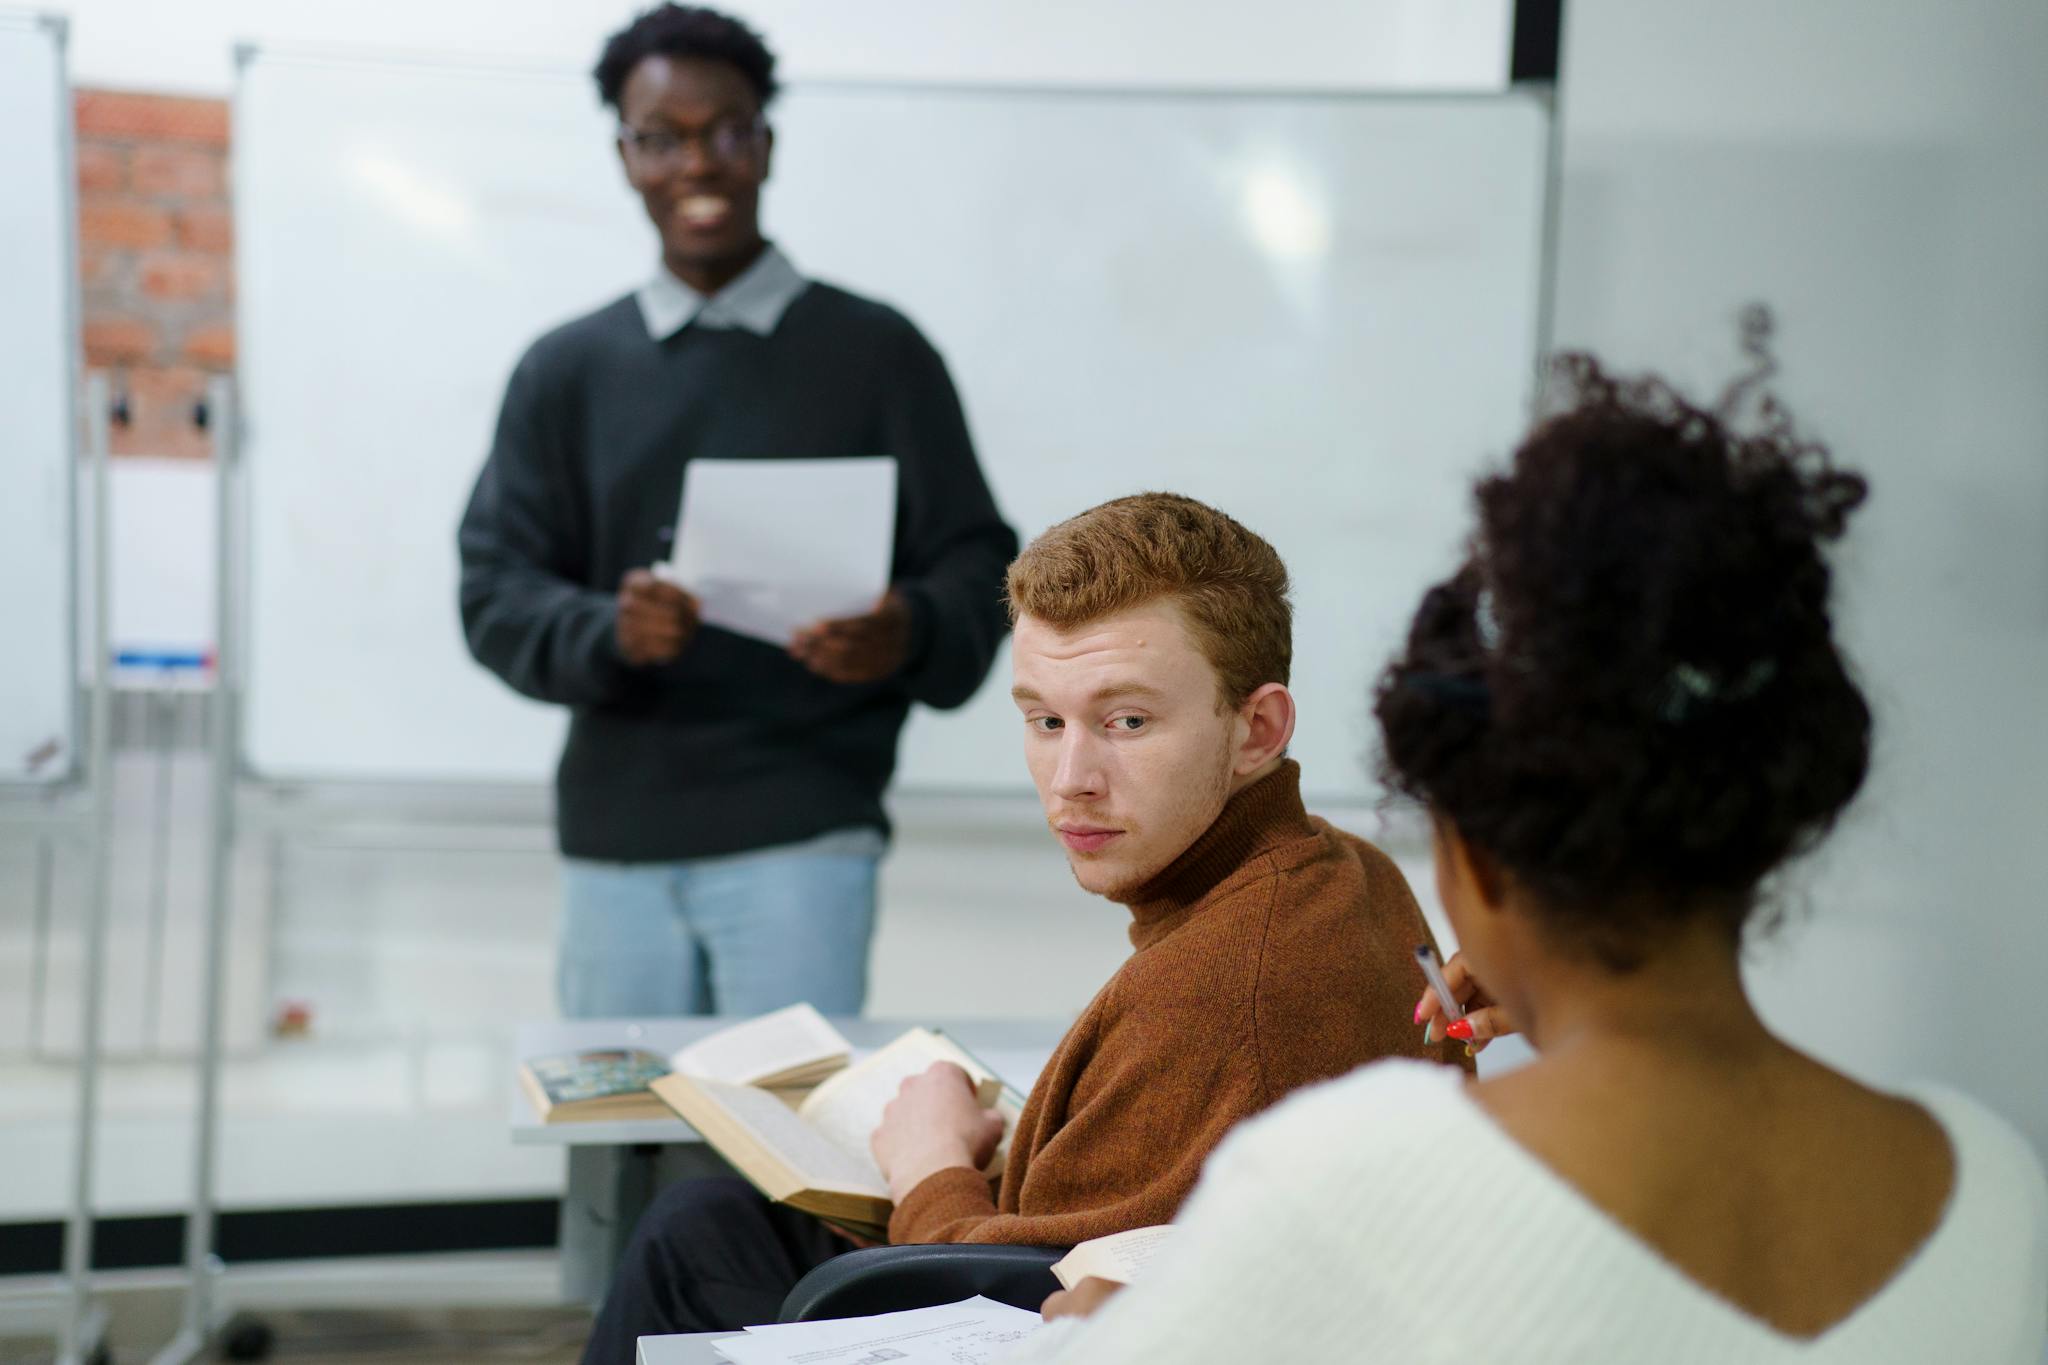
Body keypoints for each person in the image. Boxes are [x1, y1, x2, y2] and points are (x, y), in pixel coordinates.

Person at [1005, 346, 2048, 1361]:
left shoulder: (1338, 1176)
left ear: (1479, 849)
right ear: (1770, 819)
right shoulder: (1997, 1187)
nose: (1072, 772)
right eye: (1044, 723)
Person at [575, 493, 1468, 1363]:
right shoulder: (1348, 866)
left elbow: (999, 1305)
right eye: (1044, 719)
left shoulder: (1223, 986)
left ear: (1256, 728)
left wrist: (929, 1161)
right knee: (717, 1217)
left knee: (690, 1240)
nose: (1071, 776)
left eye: (1127, 720)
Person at [457, 5, 1016, 1020]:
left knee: (793, 1151)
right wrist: (605, 628)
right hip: (615, 844)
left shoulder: (879, 353)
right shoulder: (564, 370)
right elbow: (492, 594)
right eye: (659, 139)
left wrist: (905, 631)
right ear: (625, 155)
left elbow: (980, 567)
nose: (695, 165)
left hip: (805, 832)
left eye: (726, 132)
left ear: (765, 143)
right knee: (621, 1154)